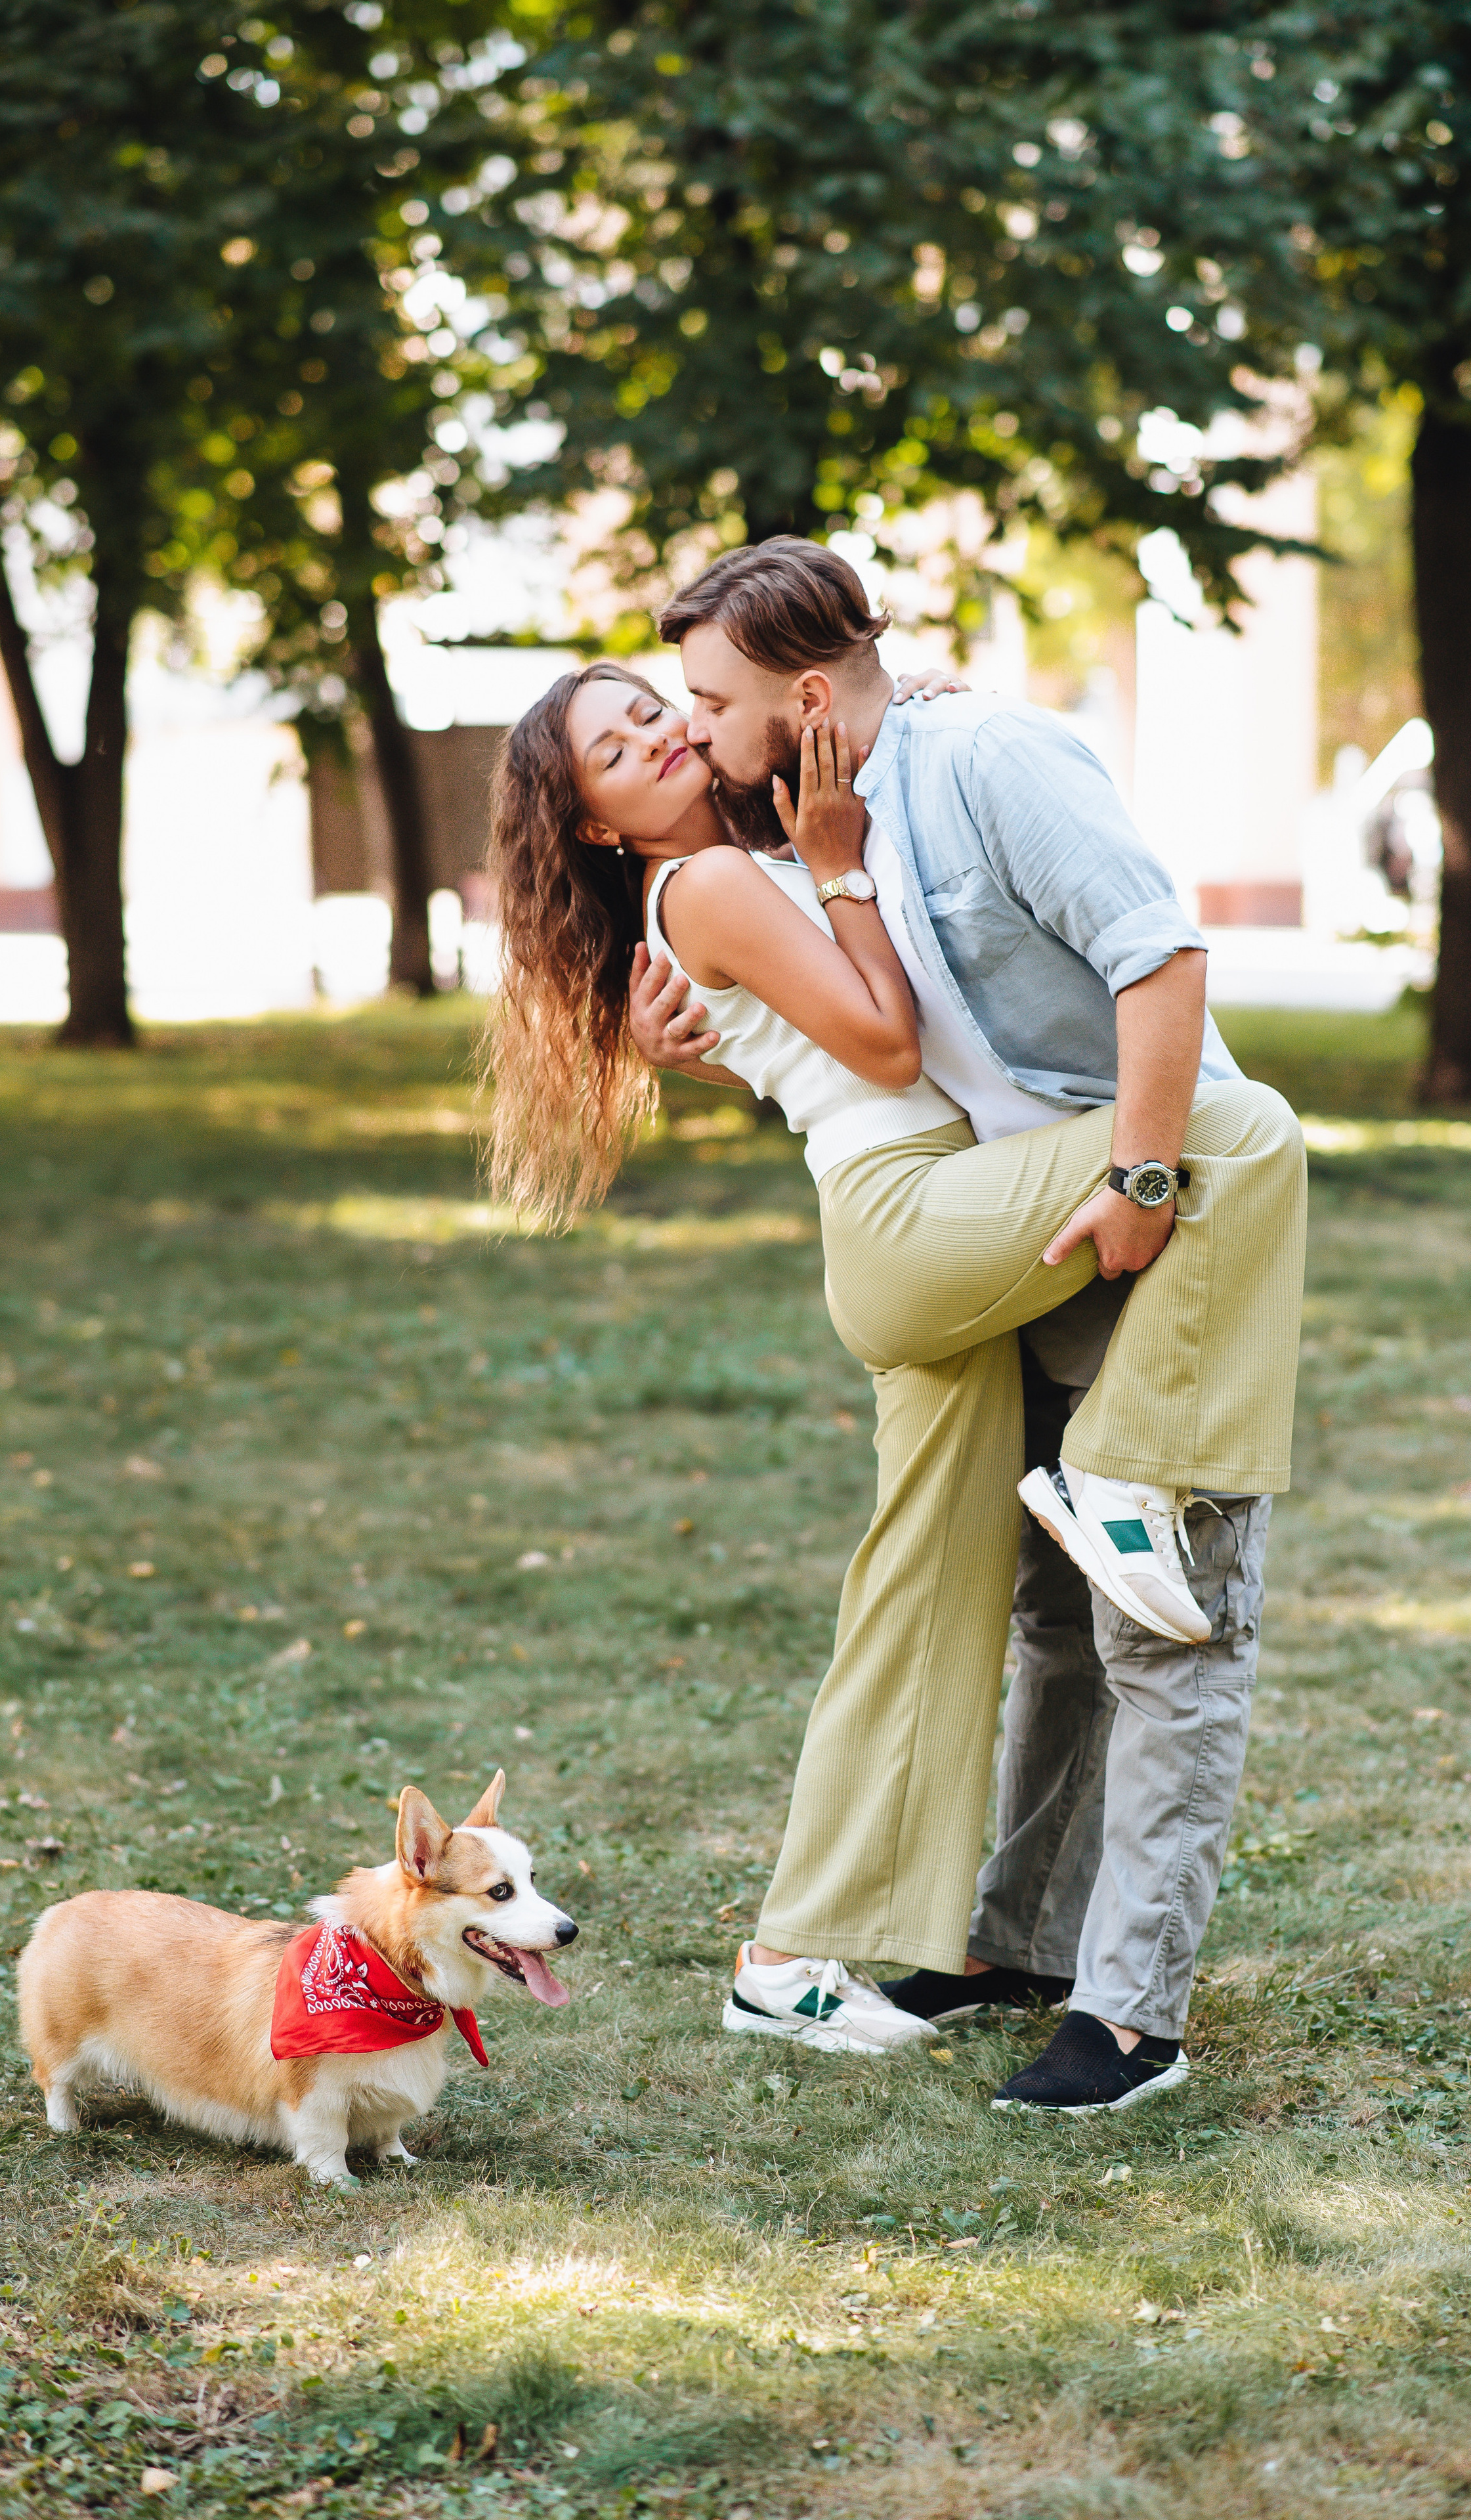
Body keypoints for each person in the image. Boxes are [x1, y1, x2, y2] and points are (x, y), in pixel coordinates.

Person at [486, 559, 1307, 2115]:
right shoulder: (724, 878)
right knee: (1238, 1131)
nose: (667, 734)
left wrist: (888, 713)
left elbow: (805, 1049)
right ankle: (1128, 1474)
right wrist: (845, 865)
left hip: (926, 1211)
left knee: (916, 1605)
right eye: (623, 742)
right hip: (914, 1221)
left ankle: (798, 1951)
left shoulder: (756, 837)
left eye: (668, 708)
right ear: (591, 821)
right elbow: (877, 1040)